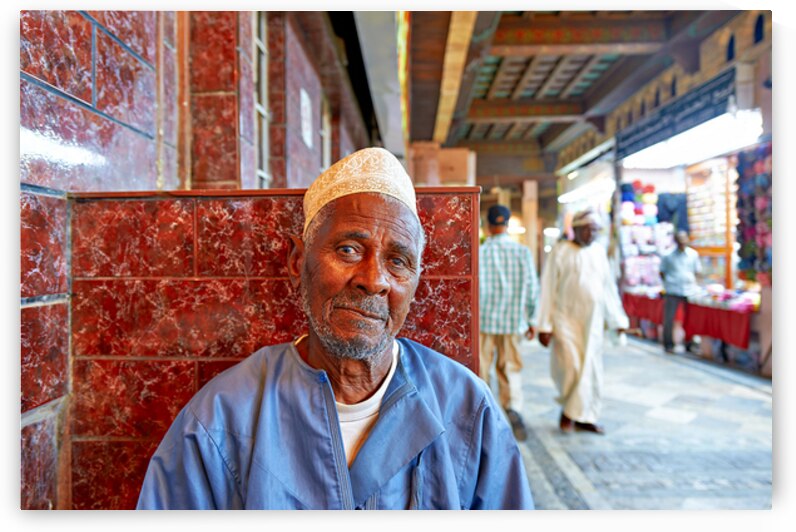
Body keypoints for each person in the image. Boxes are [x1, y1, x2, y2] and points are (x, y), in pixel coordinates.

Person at [136, 147, 534, 510]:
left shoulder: (466, 409)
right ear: (297, 261)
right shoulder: (221, 419)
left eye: (398, 261)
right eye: (349, 250)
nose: (374, 279)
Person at [535, 208, 628, 435]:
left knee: (591, 369)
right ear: (575, 229)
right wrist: (544, 325)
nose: (591, 234)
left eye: (595, 230)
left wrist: (617, 318)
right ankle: (571, 411)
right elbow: (548, 289)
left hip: (592, 323)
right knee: (571, 367)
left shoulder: (598, 252)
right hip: (565, 320)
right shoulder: (560, 251)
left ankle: (585, 416)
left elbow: (608, 289)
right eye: (587, 229)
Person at [478, 204, 538, 442]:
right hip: (513, 322)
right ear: (507, 225)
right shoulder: (522, 253)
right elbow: (533, 288)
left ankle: (485, 414)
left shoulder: (480, 253)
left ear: (488, 225)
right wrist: (532, 319)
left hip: (483, 322)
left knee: (482, 369)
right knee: (510, 367)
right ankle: (513, 407)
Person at [659, 230, 702, 354]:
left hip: (689, 289)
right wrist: (668, 282)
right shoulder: (668, 255)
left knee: (690, 318)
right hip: (672, 289)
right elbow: (662, 272)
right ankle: (668, 344)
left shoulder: (693, 254)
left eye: (684, 239)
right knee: (669, 318)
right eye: (680, 240)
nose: (682, 242)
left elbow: (697, 271)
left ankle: (689, 343)